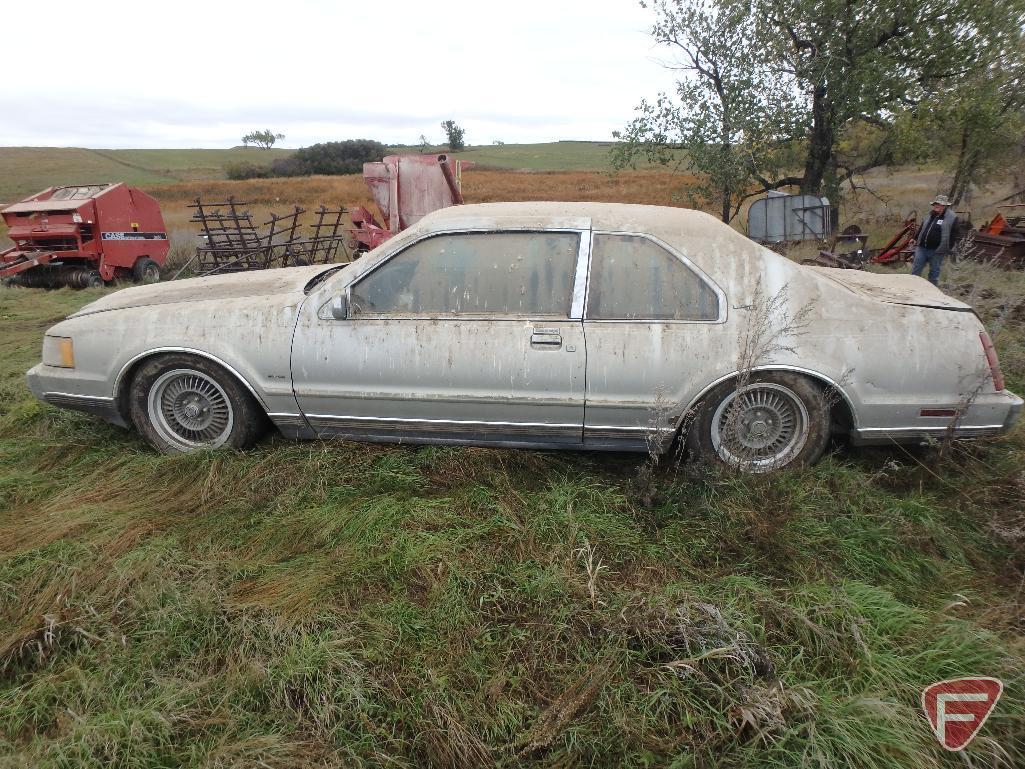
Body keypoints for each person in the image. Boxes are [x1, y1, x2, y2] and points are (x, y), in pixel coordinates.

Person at [911, 194, 959, 286]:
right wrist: (915, 238)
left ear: (945, 206)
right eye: (935, 203)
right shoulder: (929, 214)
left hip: (937, 251)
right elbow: (922, 228)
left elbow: (955, 234)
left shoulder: (952, 217)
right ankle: (913, 289)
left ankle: (932, 293)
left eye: (939, 204)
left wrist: (948, 248)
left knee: (934, 273)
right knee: (916, 270)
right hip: (922, 248)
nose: (936, 205)